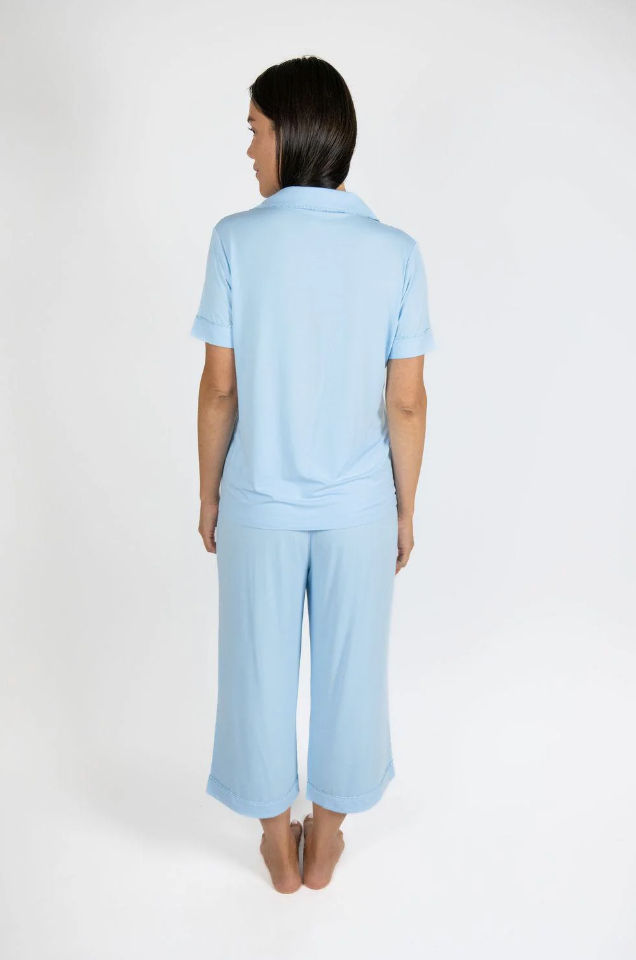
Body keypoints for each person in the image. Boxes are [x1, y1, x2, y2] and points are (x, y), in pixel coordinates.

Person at [190, 55, 436, 894]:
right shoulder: (396, 252)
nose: (249, 150)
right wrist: (405, 510)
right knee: (351, 676)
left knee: (255, 674)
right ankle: (325, 841)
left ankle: (275, 843)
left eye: (255, 130)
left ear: (291, 134)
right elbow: (407, 402)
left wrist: (208, 492)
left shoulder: (236, 239)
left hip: (258, 503)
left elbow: (220, 387)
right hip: (359, 507)